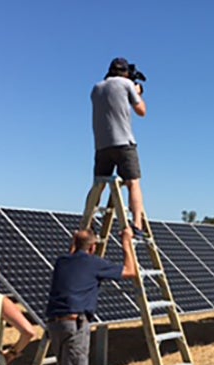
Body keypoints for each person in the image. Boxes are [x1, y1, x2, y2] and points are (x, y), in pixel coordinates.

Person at [45, 227, 137, 365]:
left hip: (54, 322)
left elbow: (74, 254)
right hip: (74, 323)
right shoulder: (94, 263)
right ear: (94, 247)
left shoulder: (61, 262)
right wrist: (126, 242)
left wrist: (77, 243)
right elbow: (130, 271)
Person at [91, 57, 147, 234]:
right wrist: (137, 92)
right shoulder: (126, 84)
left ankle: (90, 220)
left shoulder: (96, 88)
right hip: (124, 143)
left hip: (101, 145)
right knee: (133, 183)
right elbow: (142, 111)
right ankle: (137, 225)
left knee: (98, 185)